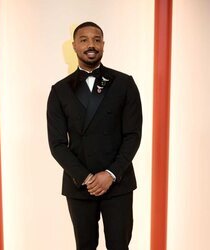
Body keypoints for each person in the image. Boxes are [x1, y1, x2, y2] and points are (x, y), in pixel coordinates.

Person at [47, 21, 142, 250]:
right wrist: (88, 178)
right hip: (80, 185)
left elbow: (133, 135)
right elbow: (57, 144)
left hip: (118, 183)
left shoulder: (124, 84)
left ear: (103, 45)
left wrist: (110, 173)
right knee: (85, 246)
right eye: (84, 40)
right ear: (74, 46)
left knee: (119, 246)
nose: (91, 45)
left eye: (96, 40)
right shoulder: (59, 90)